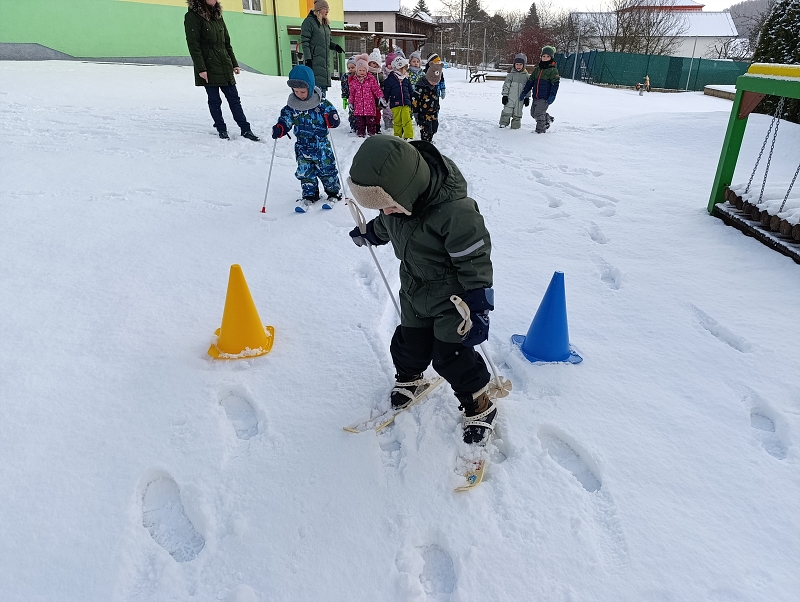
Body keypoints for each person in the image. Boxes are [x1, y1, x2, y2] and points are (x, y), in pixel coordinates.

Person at [347, 136, 498, 445]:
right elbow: (386, 224)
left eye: (388, 205)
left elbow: (474, 258)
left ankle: (479, 402)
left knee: (451, 356)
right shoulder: (396, 207)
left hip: (452, 299)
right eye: (380, 208)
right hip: (414, 290)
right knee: (408, 343)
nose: (385, 212)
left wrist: (479, 304)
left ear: (407, 190)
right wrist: (371, 232)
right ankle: (410, 378)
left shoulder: (455, 212)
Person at [184, 0, 259, 141]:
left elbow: (226, 42)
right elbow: (193, 45)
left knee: (234, 99)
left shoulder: (217, 14)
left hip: (224, 64)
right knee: (215, 101)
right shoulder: (192, 16)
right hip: (208, 66)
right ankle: (221, 128)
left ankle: (245, 129)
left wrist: (234, 63)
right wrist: (201, 69)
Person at [271, 65, 341, 213]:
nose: (299, 95)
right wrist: (281, 127)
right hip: (302, 146)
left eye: (302, 91)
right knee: (305, 172)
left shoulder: (321, 104)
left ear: (310, 86)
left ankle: (333, 192)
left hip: (321, 145)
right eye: (296, 91)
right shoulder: (292, 106)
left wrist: (332, 119)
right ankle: (310, 194)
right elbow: (286, 119)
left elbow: (334, 116)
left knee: (327, 170)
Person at [300, 0, 344, 98]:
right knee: (315, 92)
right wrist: (308, 59)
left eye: (328, 9)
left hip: (324, 65)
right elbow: (305, 42)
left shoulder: (325, 24)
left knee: (322, 93)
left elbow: (328, 42)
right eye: (325, 8)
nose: (327, 11)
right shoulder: (309, 22)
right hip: (314, 62)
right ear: (318, 9)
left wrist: (335, 46)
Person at [520, 46, 559, 134]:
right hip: (536, 96)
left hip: (545, 97)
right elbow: (530, 82)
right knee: (533, 113)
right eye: (543, 56)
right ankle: (547, 118)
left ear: (551, 58)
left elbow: (555, 84)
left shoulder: (553, 70)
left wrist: (552, 95)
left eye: (548, 56)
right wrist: (524, 92)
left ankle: (540, 131)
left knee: (539, 114)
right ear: (541, 57)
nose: (545, 58)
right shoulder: (537, 70)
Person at [348, 57, 385, 137]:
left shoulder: (370, 79)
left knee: (370, 121)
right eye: (360, 70)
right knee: (360, 122)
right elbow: (352, 93)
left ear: (367, 70)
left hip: (369, 106)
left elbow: (376, 89)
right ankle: (361, 133)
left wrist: (380, 97)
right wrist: (350, 102)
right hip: (358, 106)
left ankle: (371, 133)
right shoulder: (354, 81)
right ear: (356, 70)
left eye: (363, 70)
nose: (362, 72)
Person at [383, 56, 414, 140]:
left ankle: (409, 136)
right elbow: (386, 92)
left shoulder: (406, 79)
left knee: (407, 120)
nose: (405, 71)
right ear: (397, 68)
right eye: (403, 68)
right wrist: (384, 100)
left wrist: (413, 99)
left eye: (405, 68)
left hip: (406, 103)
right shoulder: (390, 80)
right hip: (395, 104)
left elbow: (411, 91)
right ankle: (397, 136)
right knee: (397, 121)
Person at [412, 61, 442, 143]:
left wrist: (437, 107)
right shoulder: (420, 86)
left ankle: (430, 139)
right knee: (426, 129)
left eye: (436, 82)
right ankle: (425, 142)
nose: (434, 83)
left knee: (434, 127)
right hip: (423, 113)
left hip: (433, 112)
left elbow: (436, 98)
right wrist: (415, 111)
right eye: (432, 81)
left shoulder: (434, 86)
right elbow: (415, 99)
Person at [499, 53, 530, 130]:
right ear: (514, 65)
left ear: (524, 65)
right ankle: (503, 123)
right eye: (517, 64)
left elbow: (528, 88)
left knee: (518, 113)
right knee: (507, 111)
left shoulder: (526, 76)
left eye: (520, 64)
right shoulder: (511, 75)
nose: (518, 66)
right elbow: (506, 86)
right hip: (510, 98)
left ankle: (515, 127)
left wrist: (527, 97)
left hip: (520, 99)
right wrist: (505, 95)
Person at [341, 56, 357, 133]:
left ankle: (361, 126)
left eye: (352, 67)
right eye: (349, 68)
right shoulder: (345, 76)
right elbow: (344, 87)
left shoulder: (359, 75)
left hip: (359, 97)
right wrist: (344, 97)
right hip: (350, 98)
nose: (350, 69)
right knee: (351, 112)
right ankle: (353, 126)